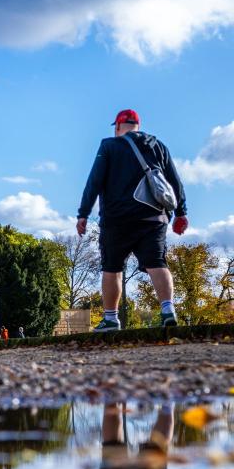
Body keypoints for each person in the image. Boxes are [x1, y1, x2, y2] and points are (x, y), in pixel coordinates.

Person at [77, 109, 188, 331]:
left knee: (112, 267)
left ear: (118, 126)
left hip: (117, 219)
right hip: (154, 218)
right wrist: (181, 213)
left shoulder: (109, 146)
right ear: (138, 125)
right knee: (157, 262)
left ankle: (110, 319)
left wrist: (83, 213)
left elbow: (94, 181)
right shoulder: (158, 146)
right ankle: (168, 311)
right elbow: (175, 181)